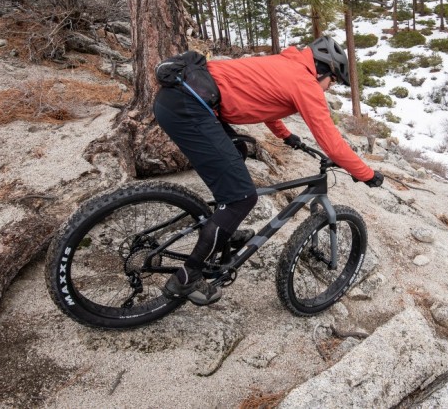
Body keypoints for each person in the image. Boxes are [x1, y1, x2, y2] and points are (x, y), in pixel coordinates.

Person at [153, 36, 384, 305]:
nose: (329, 88)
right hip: (189, 108)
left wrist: (286, 136)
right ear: (322, 71)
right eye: (332, 81)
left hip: (181, 101)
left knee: (236, 154)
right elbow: (332, 143)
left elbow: (264, 101)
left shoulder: (287, 64)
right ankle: (187, 277)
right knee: (242, 197)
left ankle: (223, 230)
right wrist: (367, 174)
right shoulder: (305, 82)